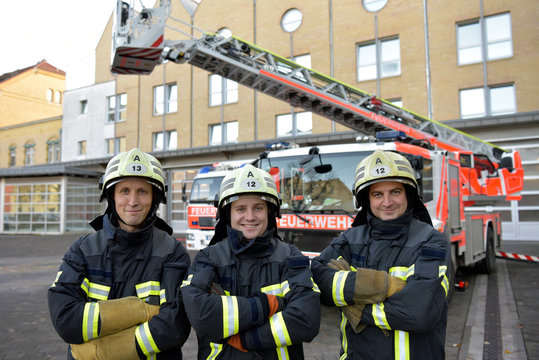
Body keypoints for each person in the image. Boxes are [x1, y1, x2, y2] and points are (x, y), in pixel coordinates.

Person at [48, 148, 191, 359]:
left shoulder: (172, 252)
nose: (133, 201)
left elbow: (174, 326)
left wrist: (105, 351)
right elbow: (66, 320)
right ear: (112, 196)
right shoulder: (83, 250)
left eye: (142, 191)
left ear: (154, 197)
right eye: (124, 190)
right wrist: (143, 313)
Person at [311, 149, 450, 359]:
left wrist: (352, 305)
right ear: (366, 199)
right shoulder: (350, 239)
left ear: (408, 194)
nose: (387, 202)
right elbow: (318, 276)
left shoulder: (431, 241)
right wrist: (382, 286)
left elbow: (418, 314)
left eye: (395, 192)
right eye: (377, 194)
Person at [180, 164, 321, 359]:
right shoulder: (208, 258)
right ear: (228, 213)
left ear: (270, 212)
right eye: (240, 208)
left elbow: (306, 321)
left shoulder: (290, 256)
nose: (250, 217)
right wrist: (267, 305)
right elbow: (201, 316)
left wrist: (247, 339)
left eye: (258, 208)